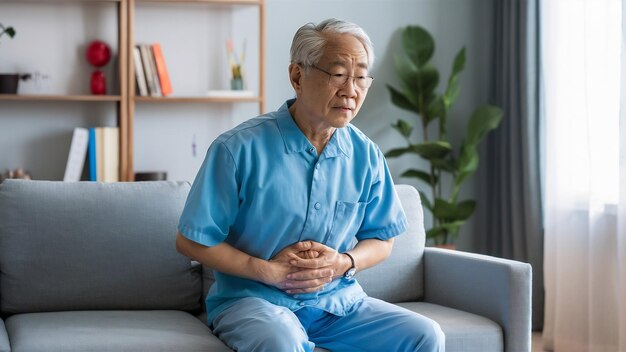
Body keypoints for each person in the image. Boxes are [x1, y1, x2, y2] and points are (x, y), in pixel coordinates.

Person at [176, 18, 445, 352]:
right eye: (338, 75)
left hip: (338, 305)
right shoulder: (237, 149)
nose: (351, 90)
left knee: (426, 335)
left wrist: (344, 262)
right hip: (253, 302)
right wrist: (267, 271)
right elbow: (191, 240)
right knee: (282, 340)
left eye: (361, 77)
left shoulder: (367, 155)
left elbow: (382, 238)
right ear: (297, 76)